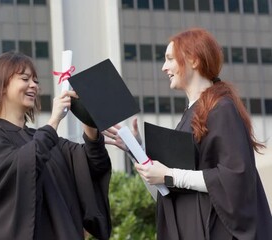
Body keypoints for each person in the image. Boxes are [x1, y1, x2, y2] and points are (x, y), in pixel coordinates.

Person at [103, 28, 272, 239]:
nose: (164, 67)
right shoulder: (191, 115)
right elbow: (164, 191)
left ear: (193, 60)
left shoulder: (221, 108)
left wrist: (170, 175)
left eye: (170, 59)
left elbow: (235, 179)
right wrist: (136, 150)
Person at [0, 51, 112, 240]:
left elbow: (93, 165)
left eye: (36, 81)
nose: (33, 85)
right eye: (25, 79)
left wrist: (88, 120)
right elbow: (20, 169)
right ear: (1, 86)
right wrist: (53, 122)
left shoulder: (46, 140)